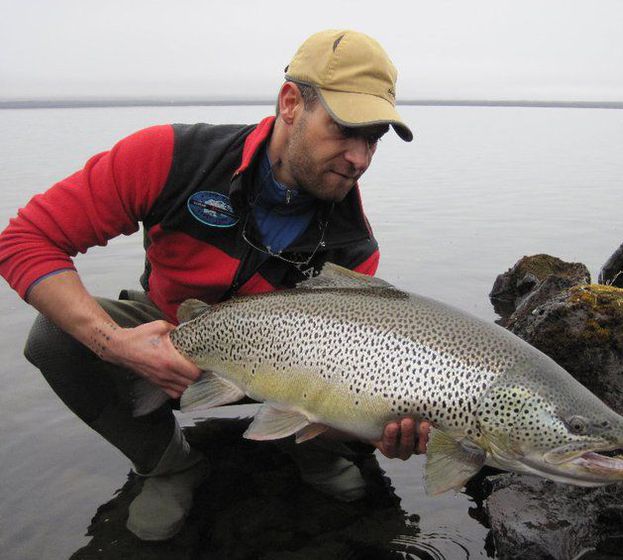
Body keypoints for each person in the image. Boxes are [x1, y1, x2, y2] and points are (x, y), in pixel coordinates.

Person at [0, 29, 430, 541]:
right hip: (170, 340)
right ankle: (166, 462)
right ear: (291, 104)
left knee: (381, 395)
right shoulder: (172, 157)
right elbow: (25, 239)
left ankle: (317, 456)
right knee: (52, 338)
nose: (359, 157)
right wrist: (116, 345)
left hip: (287, 377)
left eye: (373, 138)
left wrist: (378, 433)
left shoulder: (354, 249)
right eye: (344, 129)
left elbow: (353, 381)